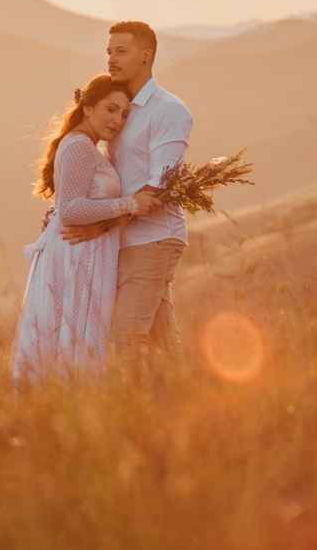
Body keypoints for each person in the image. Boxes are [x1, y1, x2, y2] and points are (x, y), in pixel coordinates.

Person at [11, 74, 161, 383]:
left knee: (75, 345)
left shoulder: (86, 147)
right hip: (75, 258)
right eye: (110, 109)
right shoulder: (79, 146)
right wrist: (130, 204)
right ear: (88, 108)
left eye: (123, 114)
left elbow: (68, 202)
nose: (118, 120)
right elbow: (71, 210)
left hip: (84, 254)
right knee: (73, 345)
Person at [62, 21, 193, 367]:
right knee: (161, 340)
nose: (111, 60)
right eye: (109, 52)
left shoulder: (169, 111)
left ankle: (139, 416)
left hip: (154, 238)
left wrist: (101, 225)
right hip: (123, 240)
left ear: (146, 55)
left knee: (125, 337)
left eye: (121, 51)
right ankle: (192, 401)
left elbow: (159, 187)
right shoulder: (119, 107)